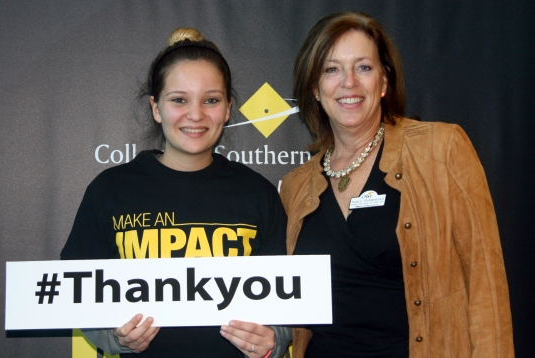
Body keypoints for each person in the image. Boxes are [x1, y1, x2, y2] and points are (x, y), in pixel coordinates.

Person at [280, 11, 514, 357]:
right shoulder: (295, 185)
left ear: (384, 82)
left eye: (363, 67)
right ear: (314, 88)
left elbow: (486, 286)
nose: (349, 82)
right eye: (332, 69)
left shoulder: (441, 148)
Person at [61, 28, 290, 358]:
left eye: (211, 100)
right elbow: (73, 290)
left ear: (227, 109)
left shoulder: (259, 194)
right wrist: (113, 337)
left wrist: (275, 340)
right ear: (156, 108)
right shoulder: (110, 190)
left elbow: (290, 299)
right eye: (179, 100)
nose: (195, 114)